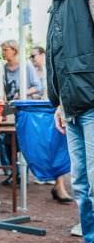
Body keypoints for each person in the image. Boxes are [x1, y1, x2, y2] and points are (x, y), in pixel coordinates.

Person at [29, 0, 94, 243]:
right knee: (83, 187)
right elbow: (61, 51)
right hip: (75, 104)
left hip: (93, 101)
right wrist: (60, 102)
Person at [29, 46, 74, 205]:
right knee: (51, 147)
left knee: (58, 148)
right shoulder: (34, 72)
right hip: (43, 114)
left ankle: (60, 186)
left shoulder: (51, 68)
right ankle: (58, 185)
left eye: (33, 55)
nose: (32, 59)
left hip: (52, 111)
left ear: (43, 54)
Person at [0, 39, 42, 185]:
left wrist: (23, 93)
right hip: (9, 111)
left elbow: (38, 87)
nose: (3, 52)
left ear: (14, 50)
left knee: (24, 142)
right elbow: (2, 89)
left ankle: (23, 174)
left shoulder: (26, 67)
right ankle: (14, 173)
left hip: (24, 111)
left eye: (5, 49)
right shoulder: (3, 69)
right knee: (8, 143)